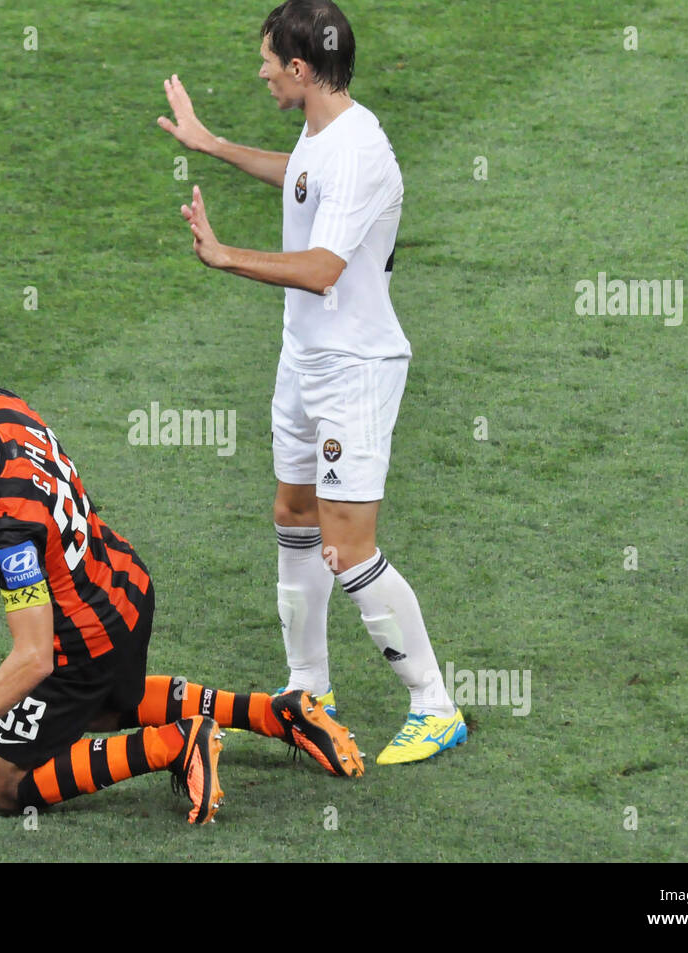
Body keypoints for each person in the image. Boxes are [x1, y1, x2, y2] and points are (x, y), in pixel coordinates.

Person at [157, 0, 466, 764]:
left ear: (301, 68)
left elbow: (324, 270)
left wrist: (228, 257)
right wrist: (212, 143)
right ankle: (308, 690)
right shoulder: (321, 130)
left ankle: (434, 704)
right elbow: (300, 178)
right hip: (303, 360)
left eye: (268, 61)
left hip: (353, 370)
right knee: (294, 511)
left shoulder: (361, 151)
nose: (261, 71)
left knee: (348, 548)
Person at [0, 387, 363, 825]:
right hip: (125, 583)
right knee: (104, 712)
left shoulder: (8, 534)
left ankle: (177, 744)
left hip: (83, 638)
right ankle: (277, 713)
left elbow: (35, 657)